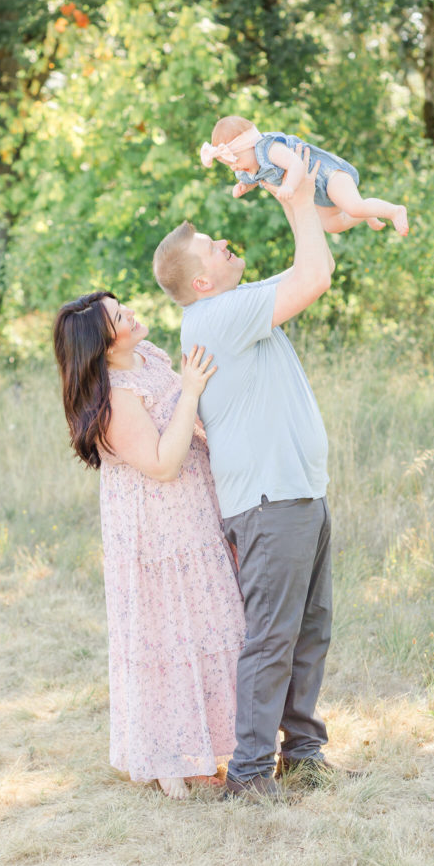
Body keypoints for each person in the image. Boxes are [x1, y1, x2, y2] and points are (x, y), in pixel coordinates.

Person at [153, 147, 357, 800]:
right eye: (213, 247)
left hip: (296, 495)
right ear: (201, 281)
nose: (223, 245)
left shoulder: (231, 306)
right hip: (272, 504)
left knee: (308, 633)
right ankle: (246, 778)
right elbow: (314, 278)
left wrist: (316, 199)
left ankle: (301, 754)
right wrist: (294, 198)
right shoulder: (218, 316)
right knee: (271, 641)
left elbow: (312, 260)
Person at [53, 292, 245, 800]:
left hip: (196, 511)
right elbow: (161, 464)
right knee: (167, 635)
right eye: (120, 317)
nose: (132, 314)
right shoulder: (114, 396)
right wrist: (190, 392)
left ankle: (212, 745)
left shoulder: (151, 355)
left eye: (123, 307)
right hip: (156, 529)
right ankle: (168, 759)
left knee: (215, 623)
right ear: (101, 343)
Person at [200, 113, 409, 235]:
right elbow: (256, 178)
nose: (235, 167)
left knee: (354, 206)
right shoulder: (249, 167)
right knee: (332, 225)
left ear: (250, 145)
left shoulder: (268, 148)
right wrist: (244, 187)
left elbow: (296, 164)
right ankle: (367, 212)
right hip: (316, 192)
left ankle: (394, 211)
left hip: (327, 175)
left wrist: (289, 186)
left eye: (236, 160)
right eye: (229, 165)